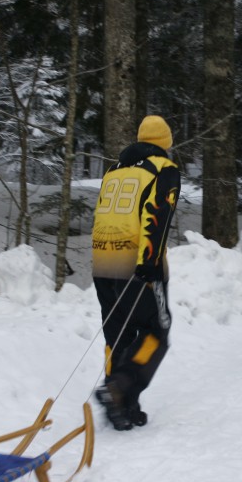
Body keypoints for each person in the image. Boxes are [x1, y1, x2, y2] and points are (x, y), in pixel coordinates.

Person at [91, 115, 180, 430]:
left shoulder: (114, 171)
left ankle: (122, 407)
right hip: (137, 263)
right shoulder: (163, 170)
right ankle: (120, 387)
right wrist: (150, 263)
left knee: (119, 334)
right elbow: (156, 216)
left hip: (102, 260)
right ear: (165, 143)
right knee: (157, 332)